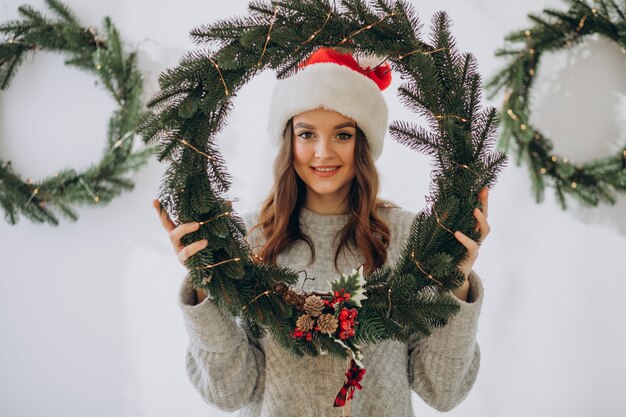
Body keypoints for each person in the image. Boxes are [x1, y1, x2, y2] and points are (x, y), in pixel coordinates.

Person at [153, 47, 490, 417]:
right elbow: (229, 393)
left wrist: (456, 280)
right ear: (288, 140)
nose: (323, 152)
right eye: (307, 134)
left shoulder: (407, 237)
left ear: (362, 142)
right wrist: (205, 277)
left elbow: (443, 390)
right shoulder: (246, 240)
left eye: (342, 135)